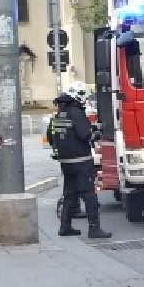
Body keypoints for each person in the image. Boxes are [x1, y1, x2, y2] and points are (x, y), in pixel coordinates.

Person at [47, 92, 111, 239]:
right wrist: (97, 132)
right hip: (81, 162)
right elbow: (86, 135)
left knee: (69, 195)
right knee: (89, 195)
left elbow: (51, 136)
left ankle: (65, 227)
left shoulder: (58, 115)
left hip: (66, 163)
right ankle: (94, 229)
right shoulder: (76, 113)